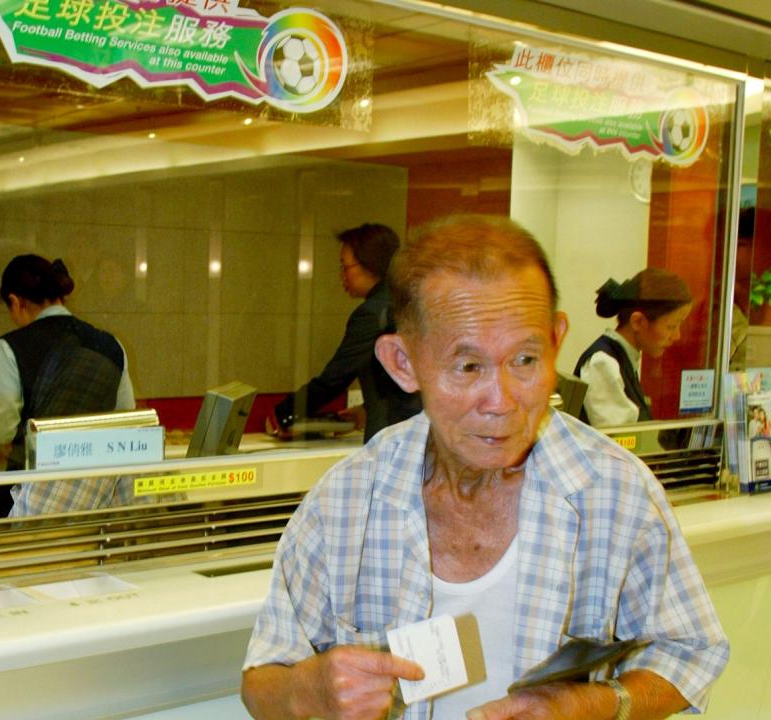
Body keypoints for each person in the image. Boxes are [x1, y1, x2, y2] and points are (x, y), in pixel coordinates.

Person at [241, 215, 727, 720]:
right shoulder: (347, 500)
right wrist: (308, 691)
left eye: (525, 360)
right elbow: (262, 681)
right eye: (468, 367)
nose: (501, 402)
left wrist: (598, 703)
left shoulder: (614, 491)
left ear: (557, 339)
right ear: (402, 362)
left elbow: (690, 652)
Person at [0, 254, 136, 517]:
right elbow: (126, 418)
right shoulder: (111, 344)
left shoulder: (10, 347)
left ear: (14, 301)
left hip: (26, 502)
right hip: (97, 499)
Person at [269, 224, 421, 443]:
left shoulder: (372, 314)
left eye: (345, 266)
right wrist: (365, 409)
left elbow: (336, 376)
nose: (342, 275)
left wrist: (285, 412)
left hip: (391, 434)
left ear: (370, 265)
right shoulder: (406, 303)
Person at [574, 268, 693, 427]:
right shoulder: (602, 363)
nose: (677, 336)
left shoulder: (625, 359)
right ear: (637, 321)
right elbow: (619, 440)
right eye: (671, 326)